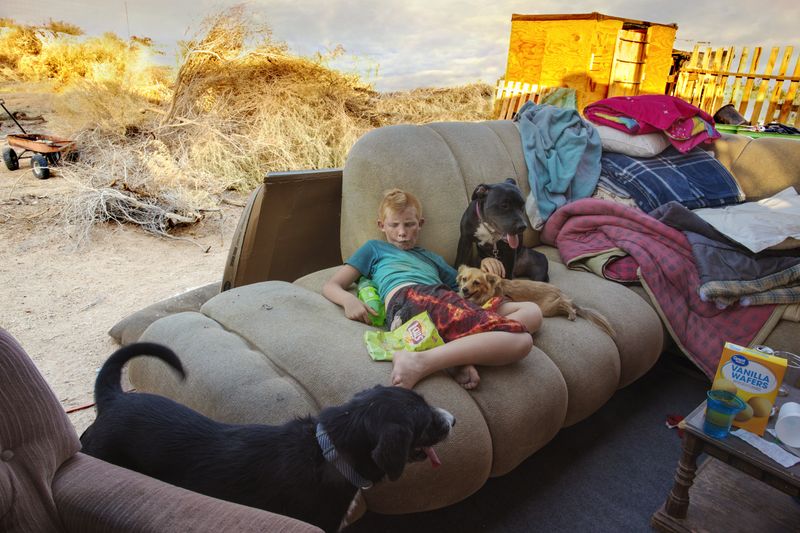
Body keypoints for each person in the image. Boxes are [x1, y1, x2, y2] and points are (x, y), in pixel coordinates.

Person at [322, 188, 542, 390]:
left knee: (532, 313)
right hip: (411, 297)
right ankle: (420, 362)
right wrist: (348, 301)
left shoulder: (431, 258)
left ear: (420, 224)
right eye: (394, 225)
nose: (402, 233)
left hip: (446, 300)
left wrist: (483, 270)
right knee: (522, 341)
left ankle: (452, 356)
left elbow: (462, 285)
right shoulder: (375, 249)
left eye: (409, 224)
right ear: (381, 226)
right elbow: (332, 285)